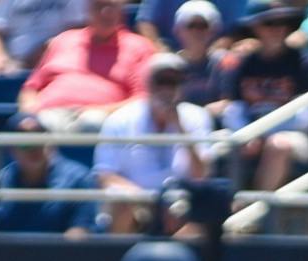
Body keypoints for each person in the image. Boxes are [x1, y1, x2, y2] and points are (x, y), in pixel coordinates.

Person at [92, 51, 217, 232]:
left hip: (180, 204)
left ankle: (183, 259)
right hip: (136, 203)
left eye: (173, 82)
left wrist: (180, 129)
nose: (167, 89)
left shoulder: (197, 116)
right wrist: (144, 199)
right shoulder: (120, 119)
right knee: (121, 203)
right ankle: (118, 258)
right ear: (148, 84)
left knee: (204, 213)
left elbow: (201, 175)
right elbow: (106, 176)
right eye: (161, 81)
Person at [211, 1, 308, 194]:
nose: (278, 29)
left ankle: (255, 210)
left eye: (282, 23)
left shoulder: (303, 62)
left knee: (278, 145)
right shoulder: (243, 64)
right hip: (249, 130)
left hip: (293, 133)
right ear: (255, 27)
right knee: (224, 143)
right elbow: (234, 109)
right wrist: (249, 133)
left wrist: (265, 133)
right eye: (269, 23)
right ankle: (223, 207)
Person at [18, 0, 156, 127]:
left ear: (121, 11)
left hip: (102, 119)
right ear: (88, 10)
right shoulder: (64, 39)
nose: (105, 13)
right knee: (32, 126)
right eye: (99, 6)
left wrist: (102, 110)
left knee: (91, 123)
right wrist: (30, 110)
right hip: (50, 113)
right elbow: (31, 88)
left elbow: (143, 99)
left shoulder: (139, 46)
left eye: (111, 7)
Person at [0, 111, 100, 233]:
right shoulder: (0, 180)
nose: (34, 147)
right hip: (8, 251)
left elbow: (79, 236)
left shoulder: (79, 179)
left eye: (39, 137)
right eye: (25, 142)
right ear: (11, 149)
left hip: (59, 251)